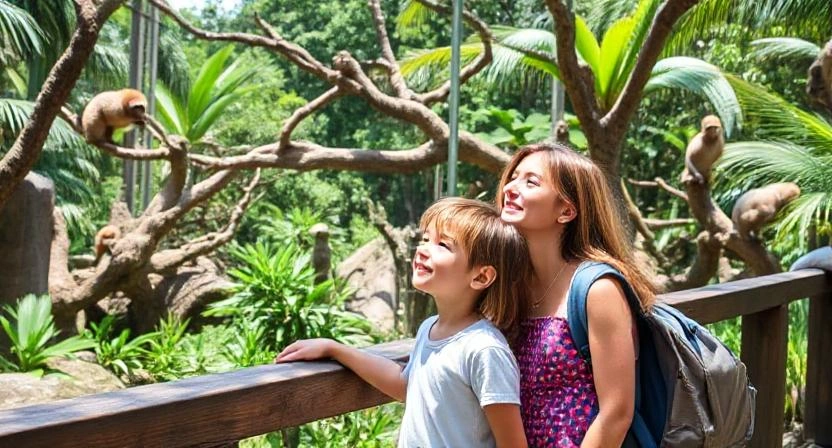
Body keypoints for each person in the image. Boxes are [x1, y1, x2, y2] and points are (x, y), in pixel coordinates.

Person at [276, 197, 532, 448]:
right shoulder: (429, 328)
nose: (423, 249)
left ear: (481, 276)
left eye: (443, 245)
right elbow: (407, 386)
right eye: (426, 239)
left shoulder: (484, 350)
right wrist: (336, 349)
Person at [497, 142, 657, 447]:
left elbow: (616, 413)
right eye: (513, 178)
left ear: (567, 210)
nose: (511, 188)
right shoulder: (511, 284)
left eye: (530, 182)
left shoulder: (597, 289)